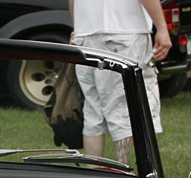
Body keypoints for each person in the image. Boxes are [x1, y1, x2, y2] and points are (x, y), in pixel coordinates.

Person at [68, 0, 171, 165]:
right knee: (127, 108)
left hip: (85, 35)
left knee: (93, 111)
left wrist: (77, 29)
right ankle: (123, 175)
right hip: (124, 31)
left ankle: (93, 177)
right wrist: (162, 28)